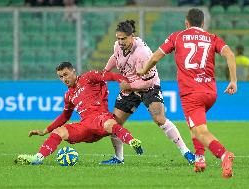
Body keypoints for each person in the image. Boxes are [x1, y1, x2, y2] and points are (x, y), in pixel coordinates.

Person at [137, 8, 237, 178]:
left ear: (186, 22)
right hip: (210, 92)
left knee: (200, 131)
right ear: (203, 23)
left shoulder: (177, 36)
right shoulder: (212, 38)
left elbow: (154, 58)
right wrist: (233, 80)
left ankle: (223, 155)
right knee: (195, 125)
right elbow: (230, 54)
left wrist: (142, 70)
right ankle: (199, 158)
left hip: (192, 92)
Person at [100, 20, 195, 165]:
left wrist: (129, 86)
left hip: (148, 88)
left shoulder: (143, 53)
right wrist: (105, 72)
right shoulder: (117, 46)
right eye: (118, 38)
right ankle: (119, 158)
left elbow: (148, 82)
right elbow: (115, 57)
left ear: (132, 36)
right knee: (115, 123)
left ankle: (186, 152)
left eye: (123, 38)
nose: (120, 42)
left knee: (159, 119)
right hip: (130, 87)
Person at [15, 62, 143, 165]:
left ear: (73, 71)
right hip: (85, 126)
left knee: (110, 124)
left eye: (66, 74)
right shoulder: (68, 95)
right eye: (61, 77)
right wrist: (45, 131)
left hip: (100, 118)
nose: (64, 79)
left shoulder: (89, 77)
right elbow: (65, 116)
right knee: (59, 132)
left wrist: (128, 83)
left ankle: (132, 141)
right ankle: (38, 158)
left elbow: (111, 76)